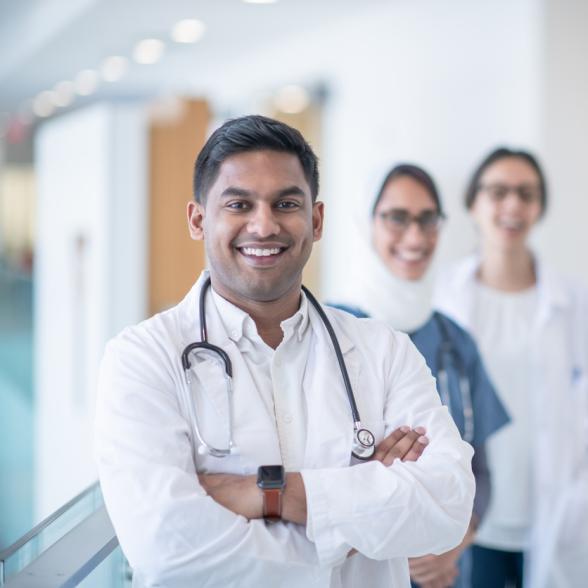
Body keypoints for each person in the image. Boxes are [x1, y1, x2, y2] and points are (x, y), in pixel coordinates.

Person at [94, 115, 475, 588]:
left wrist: (267, 496)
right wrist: (355, 526)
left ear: (316, 221)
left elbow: (448, 504)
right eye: (239, 204)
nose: (264, 224)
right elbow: (166, 546)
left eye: (286, 203)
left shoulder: (383, 350)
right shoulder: (142, 358)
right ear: (198, 220)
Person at [331, 164, 509, 588]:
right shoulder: (331, 332)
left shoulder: (455, 341)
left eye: (428, 219)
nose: (415, 236)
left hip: (445, 575)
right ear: (366, 224)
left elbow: (480, 471)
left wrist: (456, 541)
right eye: (396, 217)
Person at [434, 147, 588, 588]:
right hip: (471, 523)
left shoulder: (574, 303)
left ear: (540, 207)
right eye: (498, 191)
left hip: (556, 517)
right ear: (472, 203)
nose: (513, 205)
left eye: (526, 193)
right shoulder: (442, 296)